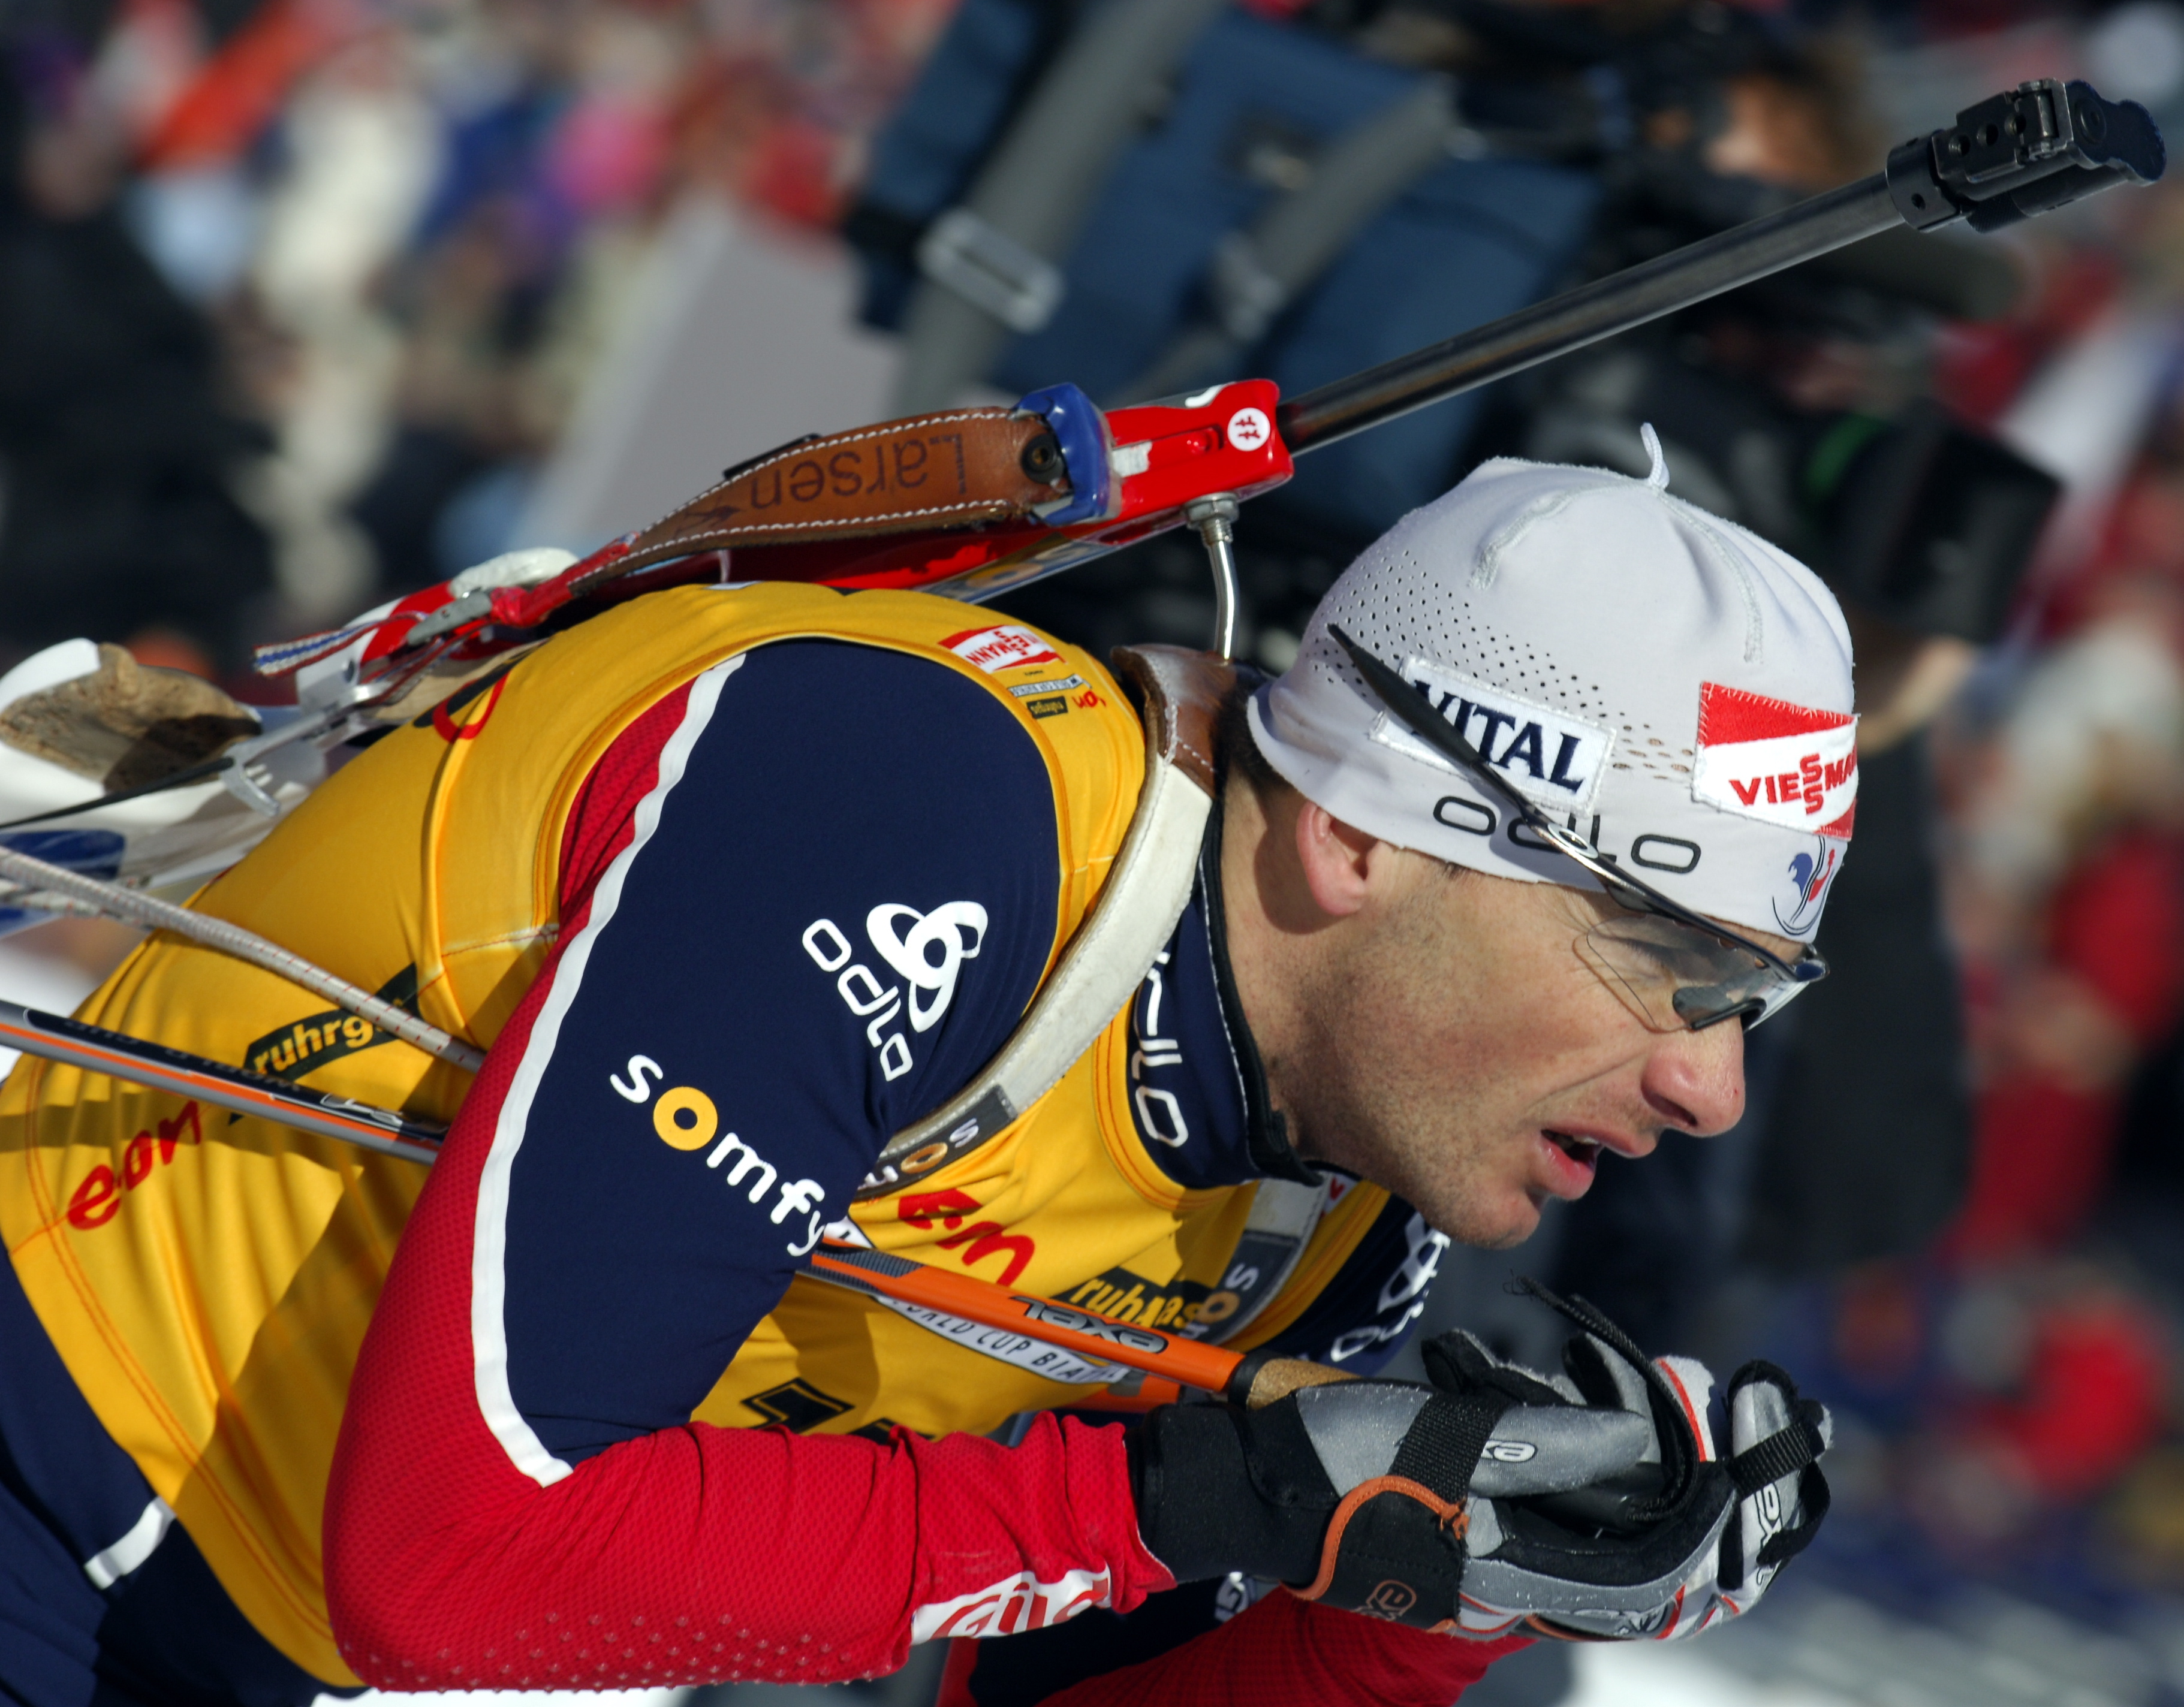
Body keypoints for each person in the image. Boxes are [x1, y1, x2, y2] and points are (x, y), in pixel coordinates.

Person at [0, 451, 1846, 1707]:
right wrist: (1194, 1497)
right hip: (53, 1481)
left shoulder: (1348, 1179)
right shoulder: (920, 805)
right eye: (1664, 961)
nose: (1714, 1093)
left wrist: (1436, 1589)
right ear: (1369, 835)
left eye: (1754, 1002)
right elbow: (459, 1556)